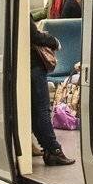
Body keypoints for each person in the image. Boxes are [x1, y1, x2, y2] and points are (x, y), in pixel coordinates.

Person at [29, 18, 75, 166]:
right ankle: (54, 150)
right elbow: (33, 35)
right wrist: (53, 41)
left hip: (24, 65)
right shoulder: (19, 7)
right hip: (33, 65)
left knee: (35, 110)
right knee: (41, 109)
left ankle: (46, 147)